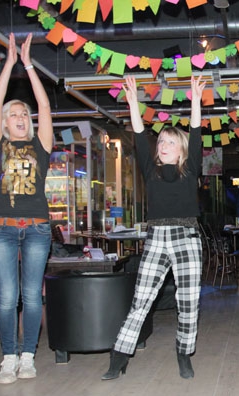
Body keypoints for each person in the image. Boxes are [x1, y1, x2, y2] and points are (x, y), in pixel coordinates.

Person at [102, 74, 205, 380]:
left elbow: (196, 131)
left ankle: (184, 353)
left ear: (181, 149)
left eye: (171, 141)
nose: (163, 145)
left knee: (188, 301)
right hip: (157, 238)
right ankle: (119, 356)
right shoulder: (150, 170)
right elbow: (138, 133)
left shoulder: (191, 169)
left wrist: (196, 101)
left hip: (187, 237)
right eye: (161, 141)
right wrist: (133, 101)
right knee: (141, 300)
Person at [0, 33, 53, 384]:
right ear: (6, 123)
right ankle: (8, 357)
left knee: (32, 296)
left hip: (38, 228)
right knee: (7, 296)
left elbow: (45, 107)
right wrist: (9, 63)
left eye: (24, 113)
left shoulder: (42, 147)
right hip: (1, 229)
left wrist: (28, 66)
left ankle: (28, 357)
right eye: (14, 115)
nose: (20, 117)